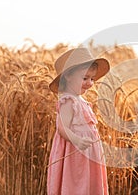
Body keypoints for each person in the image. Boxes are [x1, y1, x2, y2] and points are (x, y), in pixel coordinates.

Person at [47, 48, 110, 195]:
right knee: (76, 185)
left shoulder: (82, 100)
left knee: (89, 184)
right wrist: (77, 140)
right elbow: (62, 128)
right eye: (85, 78)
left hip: (89, 155)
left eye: (92, 79)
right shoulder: (68, 101)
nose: (89, 83)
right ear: (68, 77)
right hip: (74, 154)